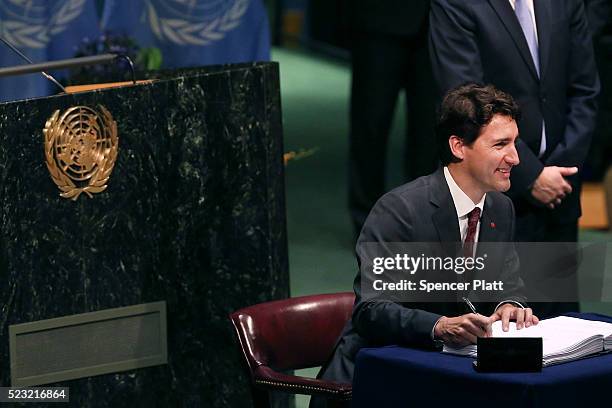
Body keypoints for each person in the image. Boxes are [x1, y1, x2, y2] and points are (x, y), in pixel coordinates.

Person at [310, 84, 539, 407]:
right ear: (459, 147)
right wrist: (440, 326)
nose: (515, 158)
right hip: (378, 379)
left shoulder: (501, 208)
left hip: (451, 374)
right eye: (501, 144)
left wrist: (508, 304)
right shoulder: (399, 211)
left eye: (515, 143)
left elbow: (507, 284)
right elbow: (372, 310)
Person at [429, 0, 600, 317]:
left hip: (559, 192)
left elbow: (586, 90)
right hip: (492, 198)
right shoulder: (456, 4)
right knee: (499, 330)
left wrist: (559, 172)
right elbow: (465, 103)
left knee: (561, 325)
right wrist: (532, 176)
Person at [348, 0, 438, 238]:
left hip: (438, 22)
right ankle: (365, 222)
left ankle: (423, 219)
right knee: (370, 126)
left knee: (430, 131)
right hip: (379, 20)